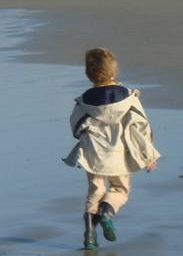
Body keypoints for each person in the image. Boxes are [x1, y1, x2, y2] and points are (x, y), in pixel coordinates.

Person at [63, 48, 161, 250]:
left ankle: (90, 237)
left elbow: (76, 128)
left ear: (89, 75)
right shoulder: (128, 98)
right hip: (119, 155)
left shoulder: (83, 101)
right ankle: (106, 213)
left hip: (93, 154)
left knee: (95, 192)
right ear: (114, 72)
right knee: (120, 189)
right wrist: (147, 156)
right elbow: (140, 128)